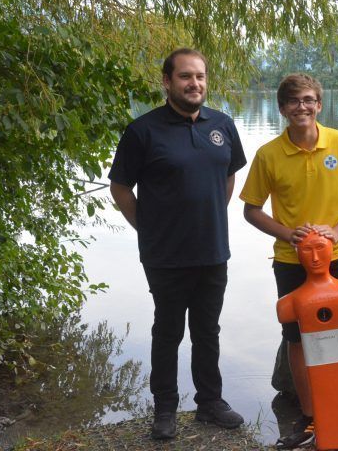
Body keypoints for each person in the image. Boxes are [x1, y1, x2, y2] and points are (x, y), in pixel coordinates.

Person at [108, 48, 247, 440]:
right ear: (167, 82)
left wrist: (212, 217)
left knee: (208, 330)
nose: (195, 83)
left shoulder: (222, 124)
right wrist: (148, 229)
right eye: (186, 76)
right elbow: (120, 187)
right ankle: (165, 409)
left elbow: (228, 174)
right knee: (167, 332)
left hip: (213, 250)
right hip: (165, 255)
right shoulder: (143, 131)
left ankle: (210, 402)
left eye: (200, 76)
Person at [240, 73, 338, 449]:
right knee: (300, 342)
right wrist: (288, 234)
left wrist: (336, 232)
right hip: (292, 260)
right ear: (283, 109)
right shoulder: (268, 155)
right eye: (292, 101)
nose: (301, 107)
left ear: (319, 104)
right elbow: (251, 210)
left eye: (307, 100)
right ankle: (310, 417)